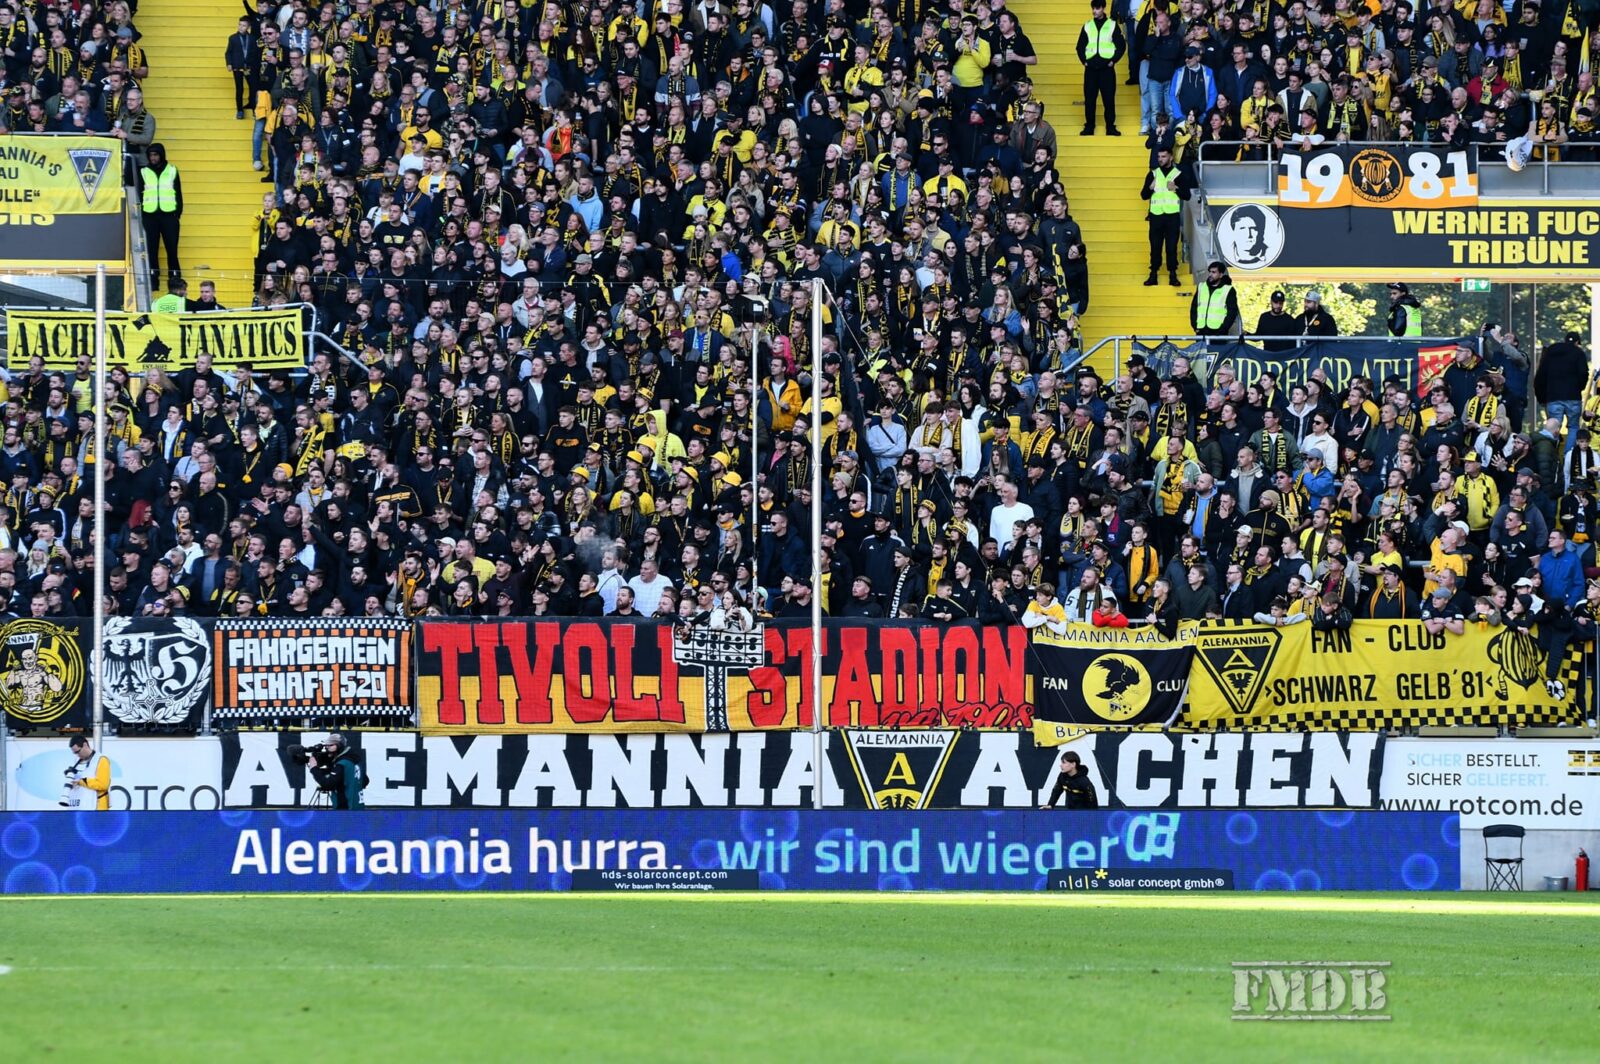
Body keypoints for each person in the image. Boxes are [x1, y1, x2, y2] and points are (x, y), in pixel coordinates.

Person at [1078, 0, 1126, 136]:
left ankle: (1110, 127)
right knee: (1089, 99)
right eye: (1093, 8)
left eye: (1097, 8)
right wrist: (1084, 61)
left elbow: (1121, 45)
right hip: (1091, 69)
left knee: (1109, 99)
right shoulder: (1087, 25)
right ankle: (1089, 126)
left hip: (1107, 69)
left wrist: (1113, 60)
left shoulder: (1112, 25)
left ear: (1103, 8)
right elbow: (1080, 46)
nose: (1094, 11)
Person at [140, 143, 183, 289]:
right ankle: (154, 279)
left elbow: (178, 193)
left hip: (169, 216)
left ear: (161, 155)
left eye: (156, 155)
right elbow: (140, 193)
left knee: (172, 249)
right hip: (149, 215)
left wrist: (177, 214)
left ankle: (175, 279)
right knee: (152, 250)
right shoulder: (144, 171)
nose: (153, 158)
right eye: (151, 155)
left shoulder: (172, 170)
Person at [1142, 147, 1187, 286]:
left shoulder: (1178, 174)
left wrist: (1176, 188)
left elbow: (1187, 195)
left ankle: (1173, 275)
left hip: (1172, 216)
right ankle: (1153, 274)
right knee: (1155, 246)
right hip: (1156, 216)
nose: (1160, 159)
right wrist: (1150, 188)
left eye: (1163, 156)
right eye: (1159, 157)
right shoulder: (1153, 174)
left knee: (1171, 247)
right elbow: (1143, 195)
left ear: (1171, 157)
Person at [308, 733, 364, 809]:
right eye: (326, 745)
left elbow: (328, 784)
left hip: (346, 809)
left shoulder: (342, 763)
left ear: (339, 746)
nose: (327, 748)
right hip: (359, 807)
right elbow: (365, 781)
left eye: (330, 745)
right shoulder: (354, 760)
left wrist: (314, 768)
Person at [61, 735, 111, 811]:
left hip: (97, 807)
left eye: (78, 751)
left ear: (85, 745)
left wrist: (81, 781)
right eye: (75, 753)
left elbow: (103, 784)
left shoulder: (101, 759)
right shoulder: (76, 761)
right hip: (80, 807)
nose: (77, 755)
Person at [1190, 261, 1239, 336]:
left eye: (1214, 272)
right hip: (1201, 331)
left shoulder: (1228, 290)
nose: (1210, 274)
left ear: (1221, 275)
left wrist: (1223, 329)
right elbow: (1194, 307)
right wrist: (1195, 326)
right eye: (1209, 272)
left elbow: (1232, 312)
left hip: (1218, 332)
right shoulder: (1201, 287)